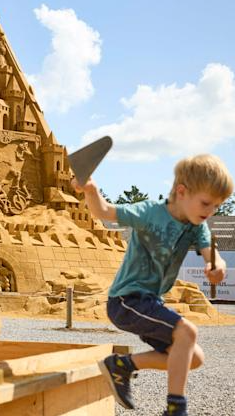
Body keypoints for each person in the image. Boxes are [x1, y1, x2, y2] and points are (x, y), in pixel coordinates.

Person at [71, 154, 233, 416]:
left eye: (216, 206)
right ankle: (175, 409)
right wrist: (90, 189)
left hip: (151, 303)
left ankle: (122, 365)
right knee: (187, 332)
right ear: (182, 192)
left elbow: (211, 252)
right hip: (126, 300)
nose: (210, 212)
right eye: (206, 203)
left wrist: (217, 266)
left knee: (194, 357)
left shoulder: (196, 226)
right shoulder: (149, 213)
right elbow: (104, 211)